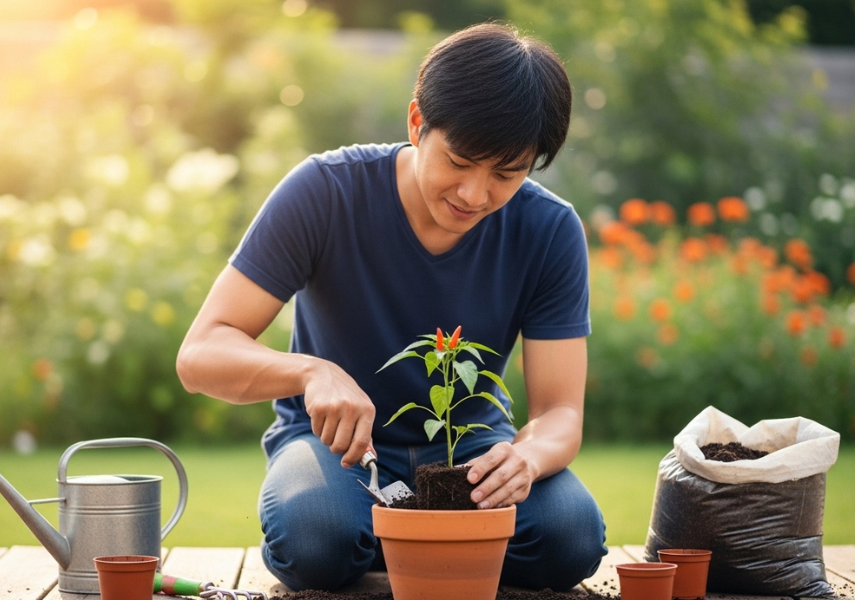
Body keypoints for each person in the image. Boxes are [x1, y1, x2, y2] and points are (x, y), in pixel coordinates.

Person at [176, 22, 607, 592]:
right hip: (336, 449)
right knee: (316, 542)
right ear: (416, 123)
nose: (475, 194)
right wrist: (311, 372)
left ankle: (396, 539)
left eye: (507, 173)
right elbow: (201, 352)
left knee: (569, 538)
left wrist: (527, 457)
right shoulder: (325, 192)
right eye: (459, 161)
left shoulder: (548, 229)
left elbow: (560, 414)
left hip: (470, 448)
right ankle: (382, 533)